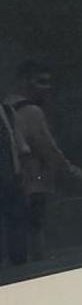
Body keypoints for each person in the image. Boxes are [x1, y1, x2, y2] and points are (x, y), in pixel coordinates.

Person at [5, 60, 82, 260]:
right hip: (34, 184)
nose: (47, 88)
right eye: (41, 82)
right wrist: (80, 178)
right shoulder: (31, 112)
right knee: (35, 242)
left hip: (13, 184)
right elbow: (50, 152)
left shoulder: (7, 107)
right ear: (23, 82)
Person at [0, 96, 29, 266]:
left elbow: (19, 144)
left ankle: (19, 261)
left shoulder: (8, 111)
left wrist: (22, 171)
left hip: (13, 177)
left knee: (16, 221)